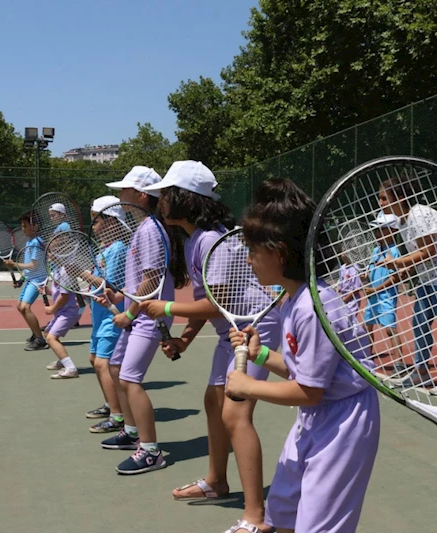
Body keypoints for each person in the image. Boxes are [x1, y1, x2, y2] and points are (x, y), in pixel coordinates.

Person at [226, 177, 380, 533]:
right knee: (284, 509)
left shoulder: (314, 308)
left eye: (253, 251)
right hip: (317, 414)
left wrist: (247, 386)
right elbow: (306, 372)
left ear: (279, 253)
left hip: (343, 421)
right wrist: (261, 354)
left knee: (319, 524)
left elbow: (309, 390)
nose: (249, 259)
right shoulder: (294, 300)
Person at [138, 160, 281, 532]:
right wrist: (184, 338)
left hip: (255, 330)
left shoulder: (209, 240)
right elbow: (210, 301)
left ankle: (256, 516)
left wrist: (167, 308)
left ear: (186, 199)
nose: (160, 201)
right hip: (231, 333)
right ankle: (217, 481)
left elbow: (217, 304)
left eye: (166, 194)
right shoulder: (194, 240)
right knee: (213, 402)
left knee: (235, 415)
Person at [96, 166, 185, 474]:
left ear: (140, 195)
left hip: (147, 318)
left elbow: (152, 279)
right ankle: (132, 431)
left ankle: (150, 451)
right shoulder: (144, 228)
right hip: (139, 315)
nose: (119, 196)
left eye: (124, 190)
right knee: (116, 368)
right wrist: (117, 297)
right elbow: (139, 281)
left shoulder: (150, 230)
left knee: (130, 379)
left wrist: (129, 313)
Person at [377, 174, 437, 395]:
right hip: (429, 277)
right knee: (419, 323)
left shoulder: (418, 215)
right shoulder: (401, 220)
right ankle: (421, 371)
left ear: (399, 197)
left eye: (384, 198)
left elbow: (428, 251)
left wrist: (398, 262)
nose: (380, 203)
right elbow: (420, 254)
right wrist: (406, 268)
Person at [81, 196, 127, 431]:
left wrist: (82, 273)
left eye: (96, 221)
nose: (94, 226)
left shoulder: (118, 249)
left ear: (110, 221)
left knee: (103, 364)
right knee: (94, 360)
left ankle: (118, 417)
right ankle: (111, 404)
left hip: (112, 316)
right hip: (99, 316)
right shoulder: (104, 249)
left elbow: (111, 285)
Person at [362, 211, 404, 363]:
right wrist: (365, 276)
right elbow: (371, 270)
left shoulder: (394, 252)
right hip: (373, 297)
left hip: (386, 297)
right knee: (367, 327)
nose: (378, 233)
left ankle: (399, 363)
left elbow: (395, 278)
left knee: (390, 329)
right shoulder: (376, 250)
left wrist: (375, 289)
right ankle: (366, 357)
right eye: (377, 229)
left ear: (393, 231)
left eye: (382, 229)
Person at [4, 211, 48, 351]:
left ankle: (40, 340)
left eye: (25, 225)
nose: (23, 229)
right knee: (20, 307)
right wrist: (21, 280)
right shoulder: (30, 242)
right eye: (22, 226)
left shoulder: (37, 243)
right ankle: (36, 334)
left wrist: (14, 264)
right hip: (31, 279)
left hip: (38, 280)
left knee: (25, 307)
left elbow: (33, 265)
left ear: (35, 226)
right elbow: (28, 268)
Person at [43, 264, 81, 379]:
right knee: (47, 333)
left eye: (51, 254)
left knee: (51, 338)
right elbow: (61, 292)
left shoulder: (65, 271)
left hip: (69, 312)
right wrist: (49, 292)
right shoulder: (57, 269)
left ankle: (71, 369)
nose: (49, 256)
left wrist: (52, 309)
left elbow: (65, 296)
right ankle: (62, 360)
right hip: (62, 311)